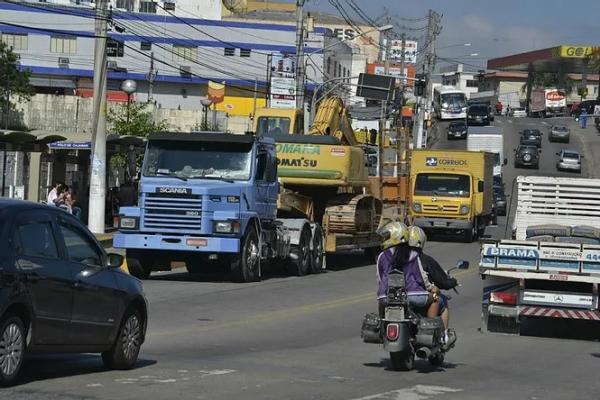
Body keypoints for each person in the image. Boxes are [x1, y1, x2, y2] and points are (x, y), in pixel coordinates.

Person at [407, 225, 458, 348]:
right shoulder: (424, 260)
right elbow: (442, 282)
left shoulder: (397, 259)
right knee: (440, 299)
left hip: (401, 297)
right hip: (421, 297)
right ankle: (442, 335)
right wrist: (452, 282)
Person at [376, 222, 438, 319]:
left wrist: (382, 293)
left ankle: (382, 327)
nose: (384, 239)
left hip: (386, 297)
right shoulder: (413, 255)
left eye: (387, 236)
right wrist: (432, 288)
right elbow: (421, 278)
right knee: (435, 298)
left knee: (381, 318)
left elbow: (380, 279)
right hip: (414, 295)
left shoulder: (382, 256)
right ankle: (430, 326)